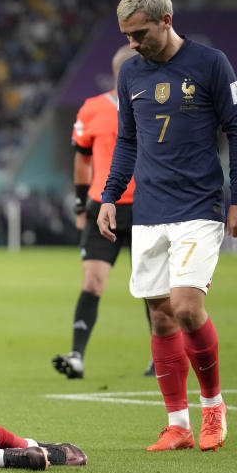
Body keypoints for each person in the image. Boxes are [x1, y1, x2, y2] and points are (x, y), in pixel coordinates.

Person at [98, 0, 237, 453]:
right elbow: (127, 140)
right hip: (149, 208)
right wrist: (110, 196)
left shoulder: (211, 64)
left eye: (139, 32)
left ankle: (213, 407)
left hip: (199, 205)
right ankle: (177, 425)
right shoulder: (130, 73)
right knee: (161, 317)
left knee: (187, 307)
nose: (132, 43)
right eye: (126, 34)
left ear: (166, 20)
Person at [53, 45, 154, 379]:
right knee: (93, 281)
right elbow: (82, 159)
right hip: (103, 208)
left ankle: (161, 358)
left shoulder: (156, 105)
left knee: (151, 286)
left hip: (148, 206)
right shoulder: (93, 109)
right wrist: (82, 203)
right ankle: (77, 356)